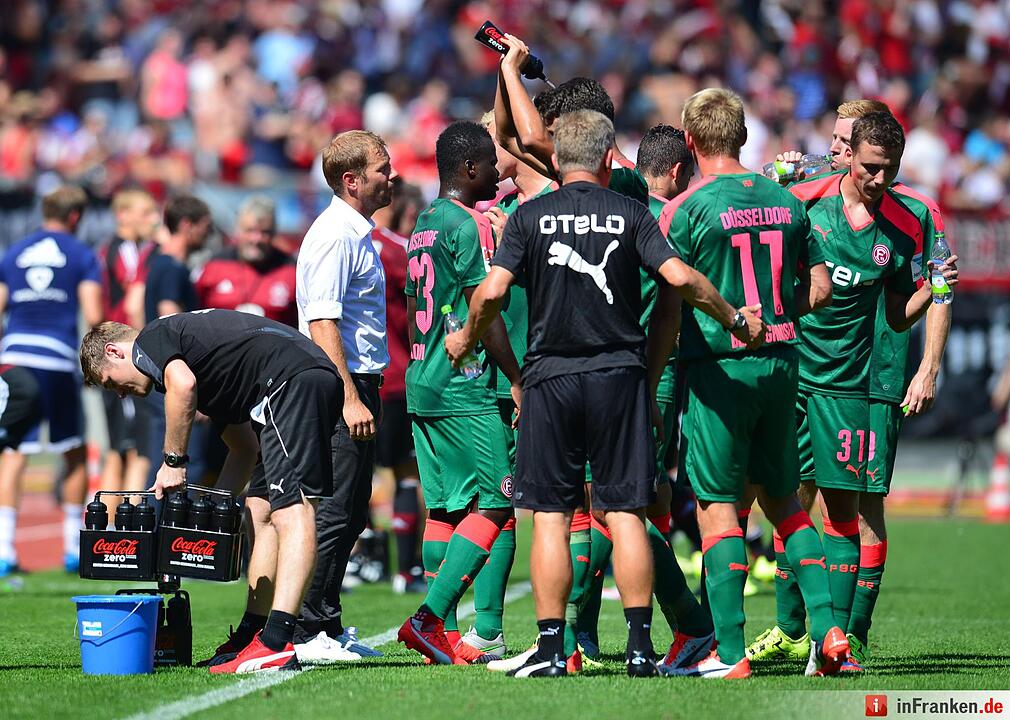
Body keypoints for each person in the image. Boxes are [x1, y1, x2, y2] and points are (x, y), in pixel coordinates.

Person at [444, 109, 763, 678]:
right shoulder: (632, 212)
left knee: (548, 517)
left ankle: (550, 647)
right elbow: (681, 280)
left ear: (557, 158)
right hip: (620, 376)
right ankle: (641, 648)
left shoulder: (529, 218)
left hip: (551, 379)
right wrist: (735, 318)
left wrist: (466, 336)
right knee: (625, 515)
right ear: (608, 157)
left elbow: (492, 290)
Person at [653, 88, 855, 678]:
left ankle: (729, 654)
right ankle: (832, 637)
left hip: (719, 368)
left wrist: (651, 381)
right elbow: (820, 289)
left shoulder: (684, 208)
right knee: (788, 507)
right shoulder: (789, 203)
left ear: (689, 142)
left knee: (719, 511)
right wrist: (778, 313)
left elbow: (670, 302)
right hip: (783, 362)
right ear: (742, 137)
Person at [748, 100, 955, 668]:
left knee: (858, 509)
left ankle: (845, 635)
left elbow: (915, 301)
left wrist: (927, 362)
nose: (842, 153)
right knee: (790, 498)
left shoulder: (915, 218)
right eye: (843, 145)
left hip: (864, 381)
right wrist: (771, 178)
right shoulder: (803, 197)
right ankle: (796, 628)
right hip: (791, 373)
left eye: (885, 166)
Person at [80, 309, 341, 673]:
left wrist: (173, 462)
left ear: (114, 352)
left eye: (111, 383)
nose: (120, 394)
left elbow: (182, 386)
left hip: (290, 379)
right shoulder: (209, 367)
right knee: (258, 509)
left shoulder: (149, 342)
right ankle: (252, 633)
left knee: (292, 509)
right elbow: (244, 448)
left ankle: (277, 641)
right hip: (294, 379)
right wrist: (207, 514)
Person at [396, 120, 522, 666]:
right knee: (499, 501)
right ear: (469, 170)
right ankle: (438, 620)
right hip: (465, 385)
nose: (498, 171)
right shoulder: (465, 227)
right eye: (491, 164)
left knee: (445, 510)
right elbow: (483, 310)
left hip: (423, 382)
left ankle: (440, 634)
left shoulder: (424, 223)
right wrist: (516, 377)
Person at [291, 130, 393, 663]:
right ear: (351, 181)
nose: (392, 176)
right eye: (382, 168)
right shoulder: (335, 234)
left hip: (359, 382)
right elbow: (321, 321)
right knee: (333, 510)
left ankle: (325, 620)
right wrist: (350, 396)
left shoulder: (356, 232)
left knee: (352, 511)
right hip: (340, 385)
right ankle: (309, 630)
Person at [0, 185, 103, 576]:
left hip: (13, 359)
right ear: (76, 216)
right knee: (73, 451)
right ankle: (72, 549)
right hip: (56, 361)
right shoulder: (81, 254)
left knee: (12, 452)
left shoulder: (14, 252)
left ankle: (5, 550)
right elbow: (93, 314)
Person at [371, 180, 426, 595]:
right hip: (398, 375)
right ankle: (408, 569)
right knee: (409, 475)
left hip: (355, 379)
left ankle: (364, 562)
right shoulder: (397, 250)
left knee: (357, 475)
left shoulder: (344, 241)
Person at [97, 188, 160, 508]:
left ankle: (116, 525)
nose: (153, 219)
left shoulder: (136, 250)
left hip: (122, 354)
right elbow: (123, 304)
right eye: (146, 212)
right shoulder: (117, 252)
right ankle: (124, 526)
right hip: (124, 356)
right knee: (132, 448)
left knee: (126, 447)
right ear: (123, 214)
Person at [144, 194, 211, 488]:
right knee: (185, 465)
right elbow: (169, 319)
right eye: (204, 226)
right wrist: (188, 386)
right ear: (186, 225)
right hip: (173, 382)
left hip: (163, 380)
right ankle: (165, 534)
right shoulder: (172, 267)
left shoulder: (159, 264)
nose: (208, 234)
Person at [194, 195, 298, 327]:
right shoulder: (212, 266)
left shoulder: (292, 270)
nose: (256, 239)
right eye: (250, 231)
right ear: (237, 231)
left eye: (264, 232)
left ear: (274, 233)